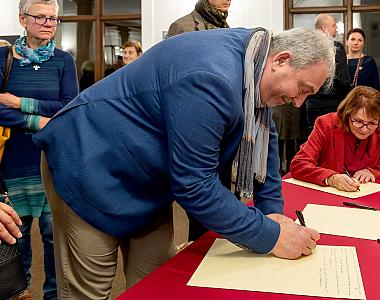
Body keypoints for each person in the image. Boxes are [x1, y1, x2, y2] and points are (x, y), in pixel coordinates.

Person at [34, 27, 335, 299]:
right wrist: (270, 236)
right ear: (281, 60)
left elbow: (264, 140)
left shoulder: (255, 63)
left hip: (148, 177)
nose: (298, 102)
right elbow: (195, 185)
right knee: (90, 289)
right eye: (303, 89)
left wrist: (273, 215)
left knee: (155, 284)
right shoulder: (211, 76)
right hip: (90, 162)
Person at [0, 0, 78, 299]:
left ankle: (54, 295)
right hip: (11, 165)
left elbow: (68, 106)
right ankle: (18, 293)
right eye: (40, 17)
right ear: (23, 19)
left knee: (54, 238)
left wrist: (19, 103)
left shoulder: (63, 60)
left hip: (50, 162)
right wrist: (40, 119)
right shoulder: (3, 57)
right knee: (14, 239)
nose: (48, 23)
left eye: (53, 19)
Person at [168, 0, 232, 241]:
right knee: (199, 201)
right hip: (194, 125)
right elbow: (174, 77)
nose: (227, 0)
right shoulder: (183, 26)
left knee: (222, 195)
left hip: (222, 126)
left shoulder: (226, 27)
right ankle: (197, 254)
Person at [290, 86, 380, 192]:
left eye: (372, 123)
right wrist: (331, 178)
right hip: (323, 195)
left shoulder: (379, 131)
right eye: (358, 121)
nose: (364, 129)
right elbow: (299, 164)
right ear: (346, 115)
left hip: (361, 198)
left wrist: (371, 172)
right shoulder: (326, 124)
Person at [305, 14, 350, 133]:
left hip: (311, 105)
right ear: (325, 28)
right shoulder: (336, 48)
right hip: (333, 105)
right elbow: (343, 81)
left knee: (314, 143)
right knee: (334, 145)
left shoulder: (306, 48)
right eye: (334, 25)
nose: (336, 29)